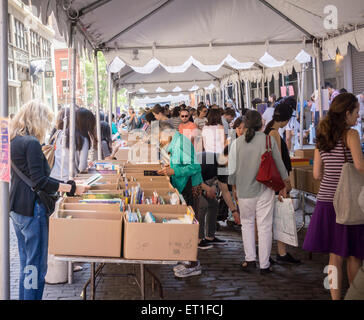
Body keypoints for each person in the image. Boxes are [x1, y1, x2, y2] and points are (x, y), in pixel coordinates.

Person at [9, 100, 89, 300]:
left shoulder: (13, 141)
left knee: (27, 263)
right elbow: (40, 181)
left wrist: (66, 184)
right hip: (32, 209)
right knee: (36, 266)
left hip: (17, 209)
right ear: (38, 120)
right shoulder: (32, 143)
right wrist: (71, 188)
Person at [303, 93, 364, 300]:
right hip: (347, 201)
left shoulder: (322, 135)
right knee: (354, 255)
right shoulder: (351, 135)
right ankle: (355, 297)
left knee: (334, 257)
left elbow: (317, 174)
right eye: (356, 112)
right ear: (347, 112)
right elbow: (360, 166)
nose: (358, 116)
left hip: (325, 201)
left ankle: (335, 298)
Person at [228, 110, 289, 274]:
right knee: (265, 226)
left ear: (245, 125)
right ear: (261, 124)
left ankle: (250, 260)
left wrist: (233, 188)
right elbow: (279, 164)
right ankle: (264, 265)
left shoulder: (236, 143)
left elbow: (231, 171)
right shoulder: (268, 140)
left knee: (246, 224)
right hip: (265, 189)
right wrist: (284, 184)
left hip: (244, 190)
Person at [157, 122, 203, 278]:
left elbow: (195, 167)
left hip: (189, 187)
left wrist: (173, 170)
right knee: (184, 225)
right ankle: (186, 259)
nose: (159, 141)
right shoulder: (173, 143)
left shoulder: (181, 142)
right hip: (182, 187)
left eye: (159, 137)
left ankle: (193, 263)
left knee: (189, 226)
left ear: (166, 133)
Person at [264, 103, 301, 264]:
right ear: (285, 120)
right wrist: (283, 185)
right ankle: (280, 253)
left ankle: (281, 252)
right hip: (277, 184)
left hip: (273, 183)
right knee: (279, 217)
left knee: (277, 217)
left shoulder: (269, 130)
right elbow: (277, 161)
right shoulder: (274, 134)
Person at [51, 107, 97, 181]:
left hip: (53, 177)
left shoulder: (60, 134)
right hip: (69, 180)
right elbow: (82, 167)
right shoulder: (83, 139)